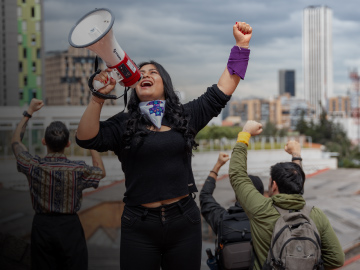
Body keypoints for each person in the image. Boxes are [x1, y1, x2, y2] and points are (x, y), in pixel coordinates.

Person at [76, 21, 253, 270]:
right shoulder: (123, 123)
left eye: (153, 72)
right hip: (138, 225)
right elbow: (85, 138)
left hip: (184, 222)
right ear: (134, 85)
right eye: (141, 73)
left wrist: (241, 46)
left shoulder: (185, 116)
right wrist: (98, 97)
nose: (146, 75)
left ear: (165, 84)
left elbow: (224, 90)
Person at [228, 120, 345, 270]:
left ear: (274, 185)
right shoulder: (315, 215)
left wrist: (245, 133)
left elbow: (237, 175)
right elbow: (337, 259)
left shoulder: (260, 210)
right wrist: (296, 154)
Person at [11, 98, 106, 270]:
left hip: (42, 226)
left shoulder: (33, 166)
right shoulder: (78, 170)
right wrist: (90, 143)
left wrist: (29, 112)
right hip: (70, 227)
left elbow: (16, 143)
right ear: (68, 144)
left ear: (44, 142)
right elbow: (100, 172)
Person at [200, 152, 264, 235]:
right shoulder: (269, 221)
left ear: (237, 195)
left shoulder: (221, 220)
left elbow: (205, 195)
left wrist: (217, 165)